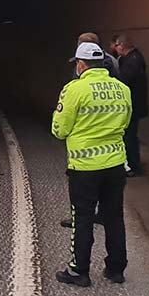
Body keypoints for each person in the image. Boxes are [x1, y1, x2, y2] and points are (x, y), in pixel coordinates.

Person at [52, 42, 132, 287]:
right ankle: (116, 269)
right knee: (114, 216)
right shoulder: (122, 89)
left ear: (81, 64)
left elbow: (59, 129)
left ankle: (79, 271)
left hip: (85, 167)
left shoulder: (74, 89)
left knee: (83, 217)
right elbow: (125, 122)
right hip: (116, 163)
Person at [60, 32, 118, 228]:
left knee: (81, 186)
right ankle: (103, 214)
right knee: (107, 184)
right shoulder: (112, 64)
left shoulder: (81, 72)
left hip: (85, 142)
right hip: (111, 139)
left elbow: (70, 106)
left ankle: (78, 217)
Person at [112, 33, 149, 177]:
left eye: (116, 45)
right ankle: (131, 165)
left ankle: (134, 167)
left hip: (133, 105)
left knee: (130, 137)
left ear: (121, 46)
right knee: (129, 136)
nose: (115, 48)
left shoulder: (133, 61)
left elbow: (123, 80)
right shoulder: (131, 58)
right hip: (133, 104)